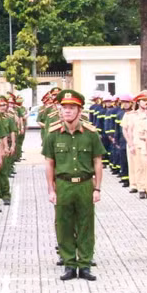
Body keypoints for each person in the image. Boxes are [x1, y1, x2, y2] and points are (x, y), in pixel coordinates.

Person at [42, 90, 105, 281]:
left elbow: (97, 162)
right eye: (64, 108)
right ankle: (69, 263)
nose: (67, 111)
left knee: (86, 225)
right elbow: (49, 163)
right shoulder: (53, 135)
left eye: (72, 108)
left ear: (79, 111)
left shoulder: (91, 134)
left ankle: (84, 264)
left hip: (85, 184)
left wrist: (97, 188)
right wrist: (51, 189)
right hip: (63, 185)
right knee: (64, 225)